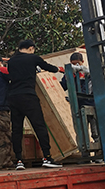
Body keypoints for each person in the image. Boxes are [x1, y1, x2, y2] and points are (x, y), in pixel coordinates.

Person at [7, 39, 63, 170]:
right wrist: (59, 69)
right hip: (28, 96)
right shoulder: (33, 58)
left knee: (16, 129)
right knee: (39, 126)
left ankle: (19, 160)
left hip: (13, 97)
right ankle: (47, 157)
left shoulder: (11, 61)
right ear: (31, 48)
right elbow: (48, 67)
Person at [60, 52, 100, 145]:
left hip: (90, 104)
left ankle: (98, 147)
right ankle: (84, 149)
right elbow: (63, 86)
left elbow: (87, 90)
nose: (76, 66)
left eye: (78, 63)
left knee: (95, 130)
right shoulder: (69, 74)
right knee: (80, 131)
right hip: (77, 105)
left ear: (82, 62)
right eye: (73, 64)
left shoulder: (88, 73)